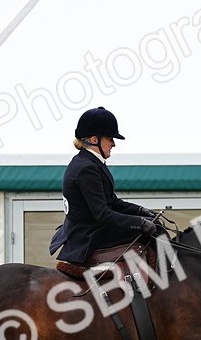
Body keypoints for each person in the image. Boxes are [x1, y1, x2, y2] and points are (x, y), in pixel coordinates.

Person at [48, 107, 164, 267]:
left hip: (92, 227)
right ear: (94, 139)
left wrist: (141, 211)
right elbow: (102, 214)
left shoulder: (90, 162)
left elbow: (113, 202)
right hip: (88, 234)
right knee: (156, 228)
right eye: (110, 138)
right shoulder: (86, 168)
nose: (113, 144)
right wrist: (141, 223)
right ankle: (164, 277)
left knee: (155, 222)